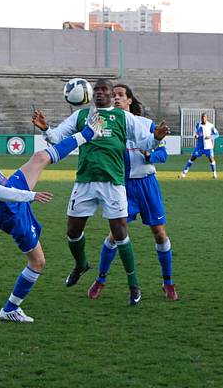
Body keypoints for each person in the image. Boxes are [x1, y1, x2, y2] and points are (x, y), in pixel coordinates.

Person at [32, 79, 170, 306]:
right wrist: (46, 128)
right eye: (97, 89)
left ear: (110, 96)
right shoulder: (81, 117)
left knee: (120, 233)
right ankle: (81, 264)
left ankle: (133, 284)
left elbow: (144, 141)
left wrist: (156, 138)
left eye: (104, 90)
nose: (101, 93)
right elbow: (57, 138)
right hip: (85, 181)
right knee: (72, 232)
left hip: (114, 183)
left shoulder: (124, 118)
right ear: (90, 94)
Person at [0, 111, 102, 323]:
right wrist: (30, 196)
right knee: (38, 262)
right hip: (11, 213)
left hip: (9, 199)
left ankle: (88, 133)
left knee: (40, 157)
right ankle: (10, 308)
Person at [87, 84, 178, 301]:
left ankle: (168, 283)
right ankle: (100, 280)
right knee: (115, 235)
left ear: (129, 100)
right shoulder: (102, 124)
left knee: (159, 232)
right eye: (114, 95)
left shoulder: (146, 124)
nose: (116, 98)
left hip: (146, 184)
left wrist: (149, 156)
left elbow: (163, 154)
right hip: (121, 186)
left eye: (120, 95)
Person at [180, 112, 219, 179]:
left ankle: (214, 174)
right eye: (202, 117)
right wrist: (196, 136)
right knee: (192, 157)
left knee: (211, 159)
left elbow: (217, 134)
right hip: (200, 146)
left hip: (208, 146)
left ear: (206, 118)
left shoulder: (210, 125)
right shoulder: (198, 125)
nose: (203, 119)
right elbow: (196, 133)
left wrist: (210, 137)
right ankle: (184, 173)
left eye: (204, 117)